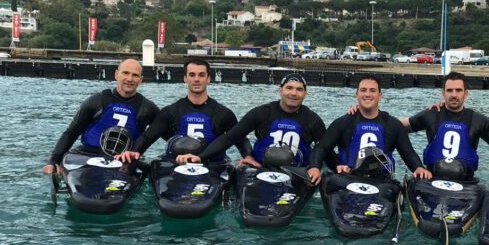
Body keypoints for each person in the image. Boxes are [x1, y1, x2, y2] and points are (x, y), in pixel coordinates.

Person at [178, 73, 330, 184]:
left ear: (305, 94)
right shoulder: (262, 112)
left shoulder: (313, 119)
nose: (293, 93)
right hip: (261, 167)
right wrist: (201, 157)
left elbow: (324, 148)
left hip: (297, 171)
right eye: (289, 88)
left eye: (299, 89)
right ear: (280, 90)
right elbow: (231, 137)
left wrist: (316, 167)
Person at [116, 59, 250, 164]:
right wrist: (133, 152)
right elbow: (148, 137)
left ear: (208, 79)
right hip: (177, 163)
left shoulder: (224, 114)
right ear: (185, 78)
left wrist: (248, 157)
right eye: (192, 75)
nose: (196, 79)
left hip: (213, 164)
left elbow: (239, 139)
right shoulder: (170, 112)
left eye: (201, 75)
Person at [43, 58, 159, 175]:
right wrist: (53, 161)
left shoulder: (148, 108)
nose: (129, 79)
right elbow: (72, 132)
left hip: (125, 160)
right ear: (116, 74)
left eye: (135, 75)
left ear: (140, 80)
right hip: (89, 154)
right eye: (125, 73)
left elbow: (170, 135)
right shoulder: (96, 100)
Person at [307, 76, 431, 182]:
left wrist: (418, 167)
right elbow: (322, 147)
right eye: (363, 90)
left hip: (382, 181)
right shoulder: (343, 122)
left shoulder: (393, 124)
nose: (367, 94)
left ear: (380, 95)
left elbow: (408, 153)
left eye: (372, 90)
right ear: (357, 94)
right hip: (347, 178)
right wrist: (315, 167)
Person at [402, 71, 489, 181]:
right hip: (432, 180)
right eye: (449, 90)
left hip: (466, 184)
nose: (454, 95)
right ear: (443, 93)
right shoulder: (431, 114)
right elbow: (396, 126)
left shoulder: (479, 120)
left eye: (458, 90)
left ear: (466, 94)